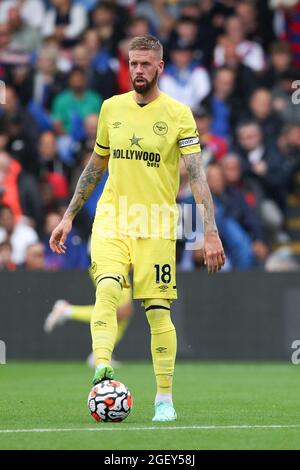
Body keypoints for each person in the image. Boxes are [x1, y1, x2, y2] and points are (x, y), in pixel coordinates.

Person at [49, 35, 225, 422]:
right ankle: (103, 370)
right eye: (133, 64)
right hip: (112, 217)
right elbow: (94, 168)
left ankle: (164, 398)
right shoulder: (112, 108)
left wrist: (208, 231)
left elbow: (197, 177)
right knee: (108, 287)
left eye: (146, 64)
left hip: (158, 225)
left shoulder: (179, 114)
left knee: (157, 312)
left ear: (160, 67)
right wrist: (68, 216)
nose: (138, 71)